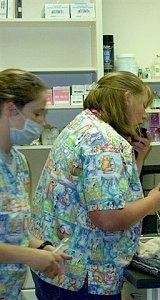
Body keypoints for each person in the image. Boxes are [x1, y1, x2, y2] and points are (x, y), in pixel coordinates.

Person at [30, 71, 160, 299]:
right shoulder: (105, 141)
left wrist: (139, 159)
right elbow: (107, 218)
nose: (144, 115)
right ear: (127, 98)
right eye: (143, 105)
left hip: (57, 265)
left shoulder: (83, 124)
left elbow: (109, 192)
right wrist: (153, 202)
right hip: (83, 276)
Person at [0, 68, 71, 300]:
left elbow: (12, 230)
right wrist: (29, 257)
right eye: (38, 114)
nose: (42, 122)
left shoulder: (18, 162)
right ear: (11, 109)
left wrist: (41, 248)